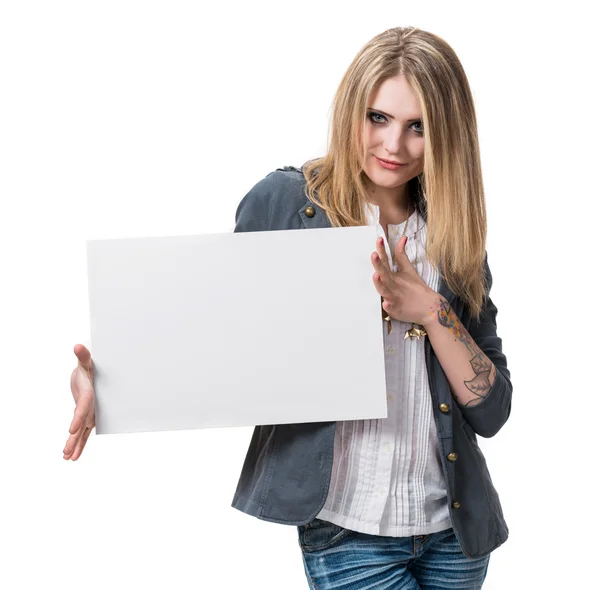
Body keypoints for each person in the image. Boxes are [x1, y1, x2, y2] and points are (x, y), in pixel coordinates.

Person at [65, 26, 512, 589]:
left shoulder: (455, 234)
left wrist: (429, 311)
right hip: (349, 533)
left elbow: (492, 412)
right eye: (378, 118)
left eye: (418, 127)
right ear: (352, 109)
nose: (393, 146)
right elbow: (206, 323)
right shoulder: (289, 204)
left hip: (456, 535)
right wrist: (103, 380)